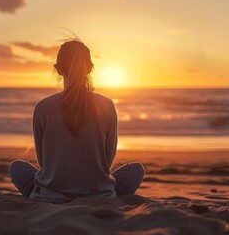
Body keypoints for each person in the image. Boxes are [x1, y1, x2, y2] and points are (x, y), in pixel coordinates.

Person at [9, 40, 144, 203]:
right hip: (99, 195)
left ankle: (45, 194)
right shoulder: (107, 106)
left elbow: (44, 161)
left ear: (58, 69)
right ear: (90, 68)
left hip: (49, 196)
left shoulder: (42, 107)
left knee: (17, 167)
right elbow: (106, 162)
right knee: (136, 169)